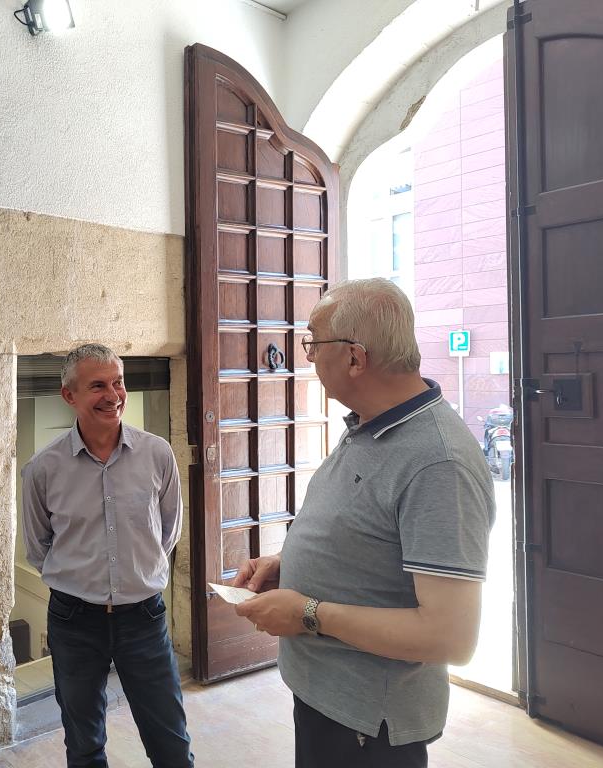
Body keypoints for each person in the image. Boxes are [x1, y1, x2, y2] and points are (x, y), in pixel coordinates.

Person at [233, 278, 494, 768]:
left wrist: (307, 612)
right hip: (325, 699)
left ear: (355, 357)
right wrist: (289, 564)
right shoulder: (371, 425)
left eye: (313, 341)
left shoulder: (438, 462)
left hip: (367, 727)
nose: (307, 357)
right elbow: (364, 536)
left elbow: (450, 637)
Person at [21, 343, 193, 768]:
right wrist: (84, 581)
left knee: (170, 739)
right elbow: (39, 546)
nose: (113, 395)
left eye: (118, 382)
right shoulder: (43, 468)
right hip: (74, 621)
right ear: (69, 396)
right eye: (97, 385)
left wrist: (137, 575)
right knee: (84, 742)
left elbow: (167, 532)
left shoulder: (157, 454)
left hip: (144, 617)